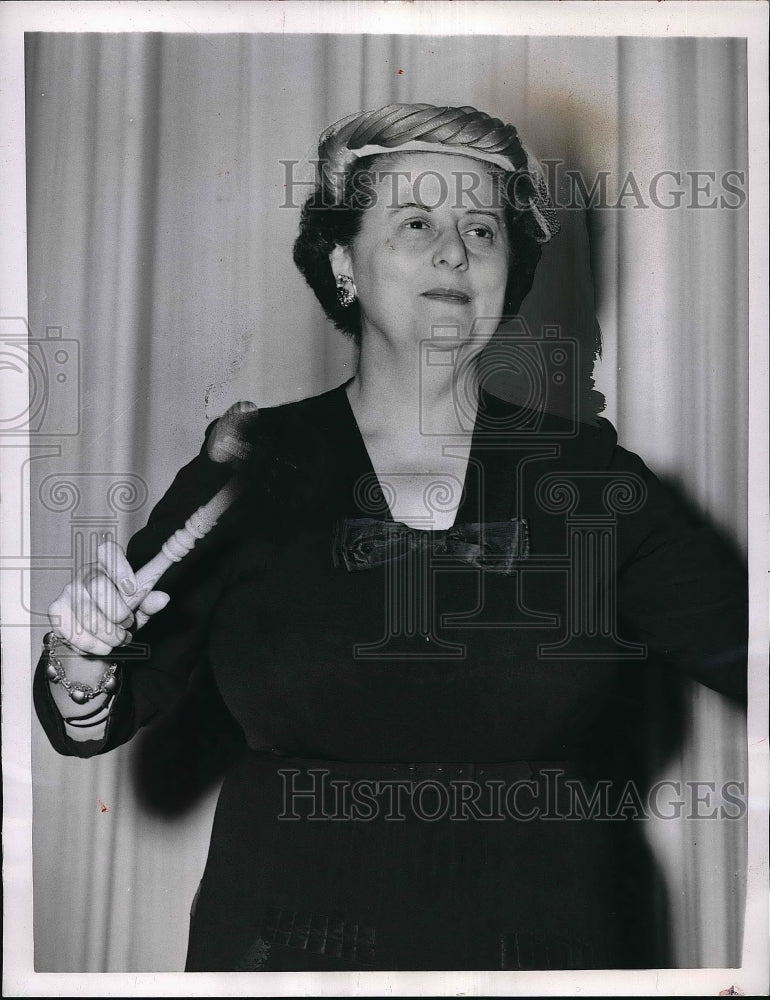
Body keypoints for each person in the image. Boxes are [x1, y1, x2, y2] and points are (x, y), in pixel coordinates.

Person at [34, 103, 747, 972]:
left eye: (482, 227)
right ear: (343, 265)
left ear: (508, 270)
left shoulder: (593, 479)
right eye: (417, 222)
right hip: (284, 957)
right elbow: (94, 711)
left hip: (545, 958)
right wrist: (83, 661)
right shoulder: (254, 465)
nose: (455, 249)